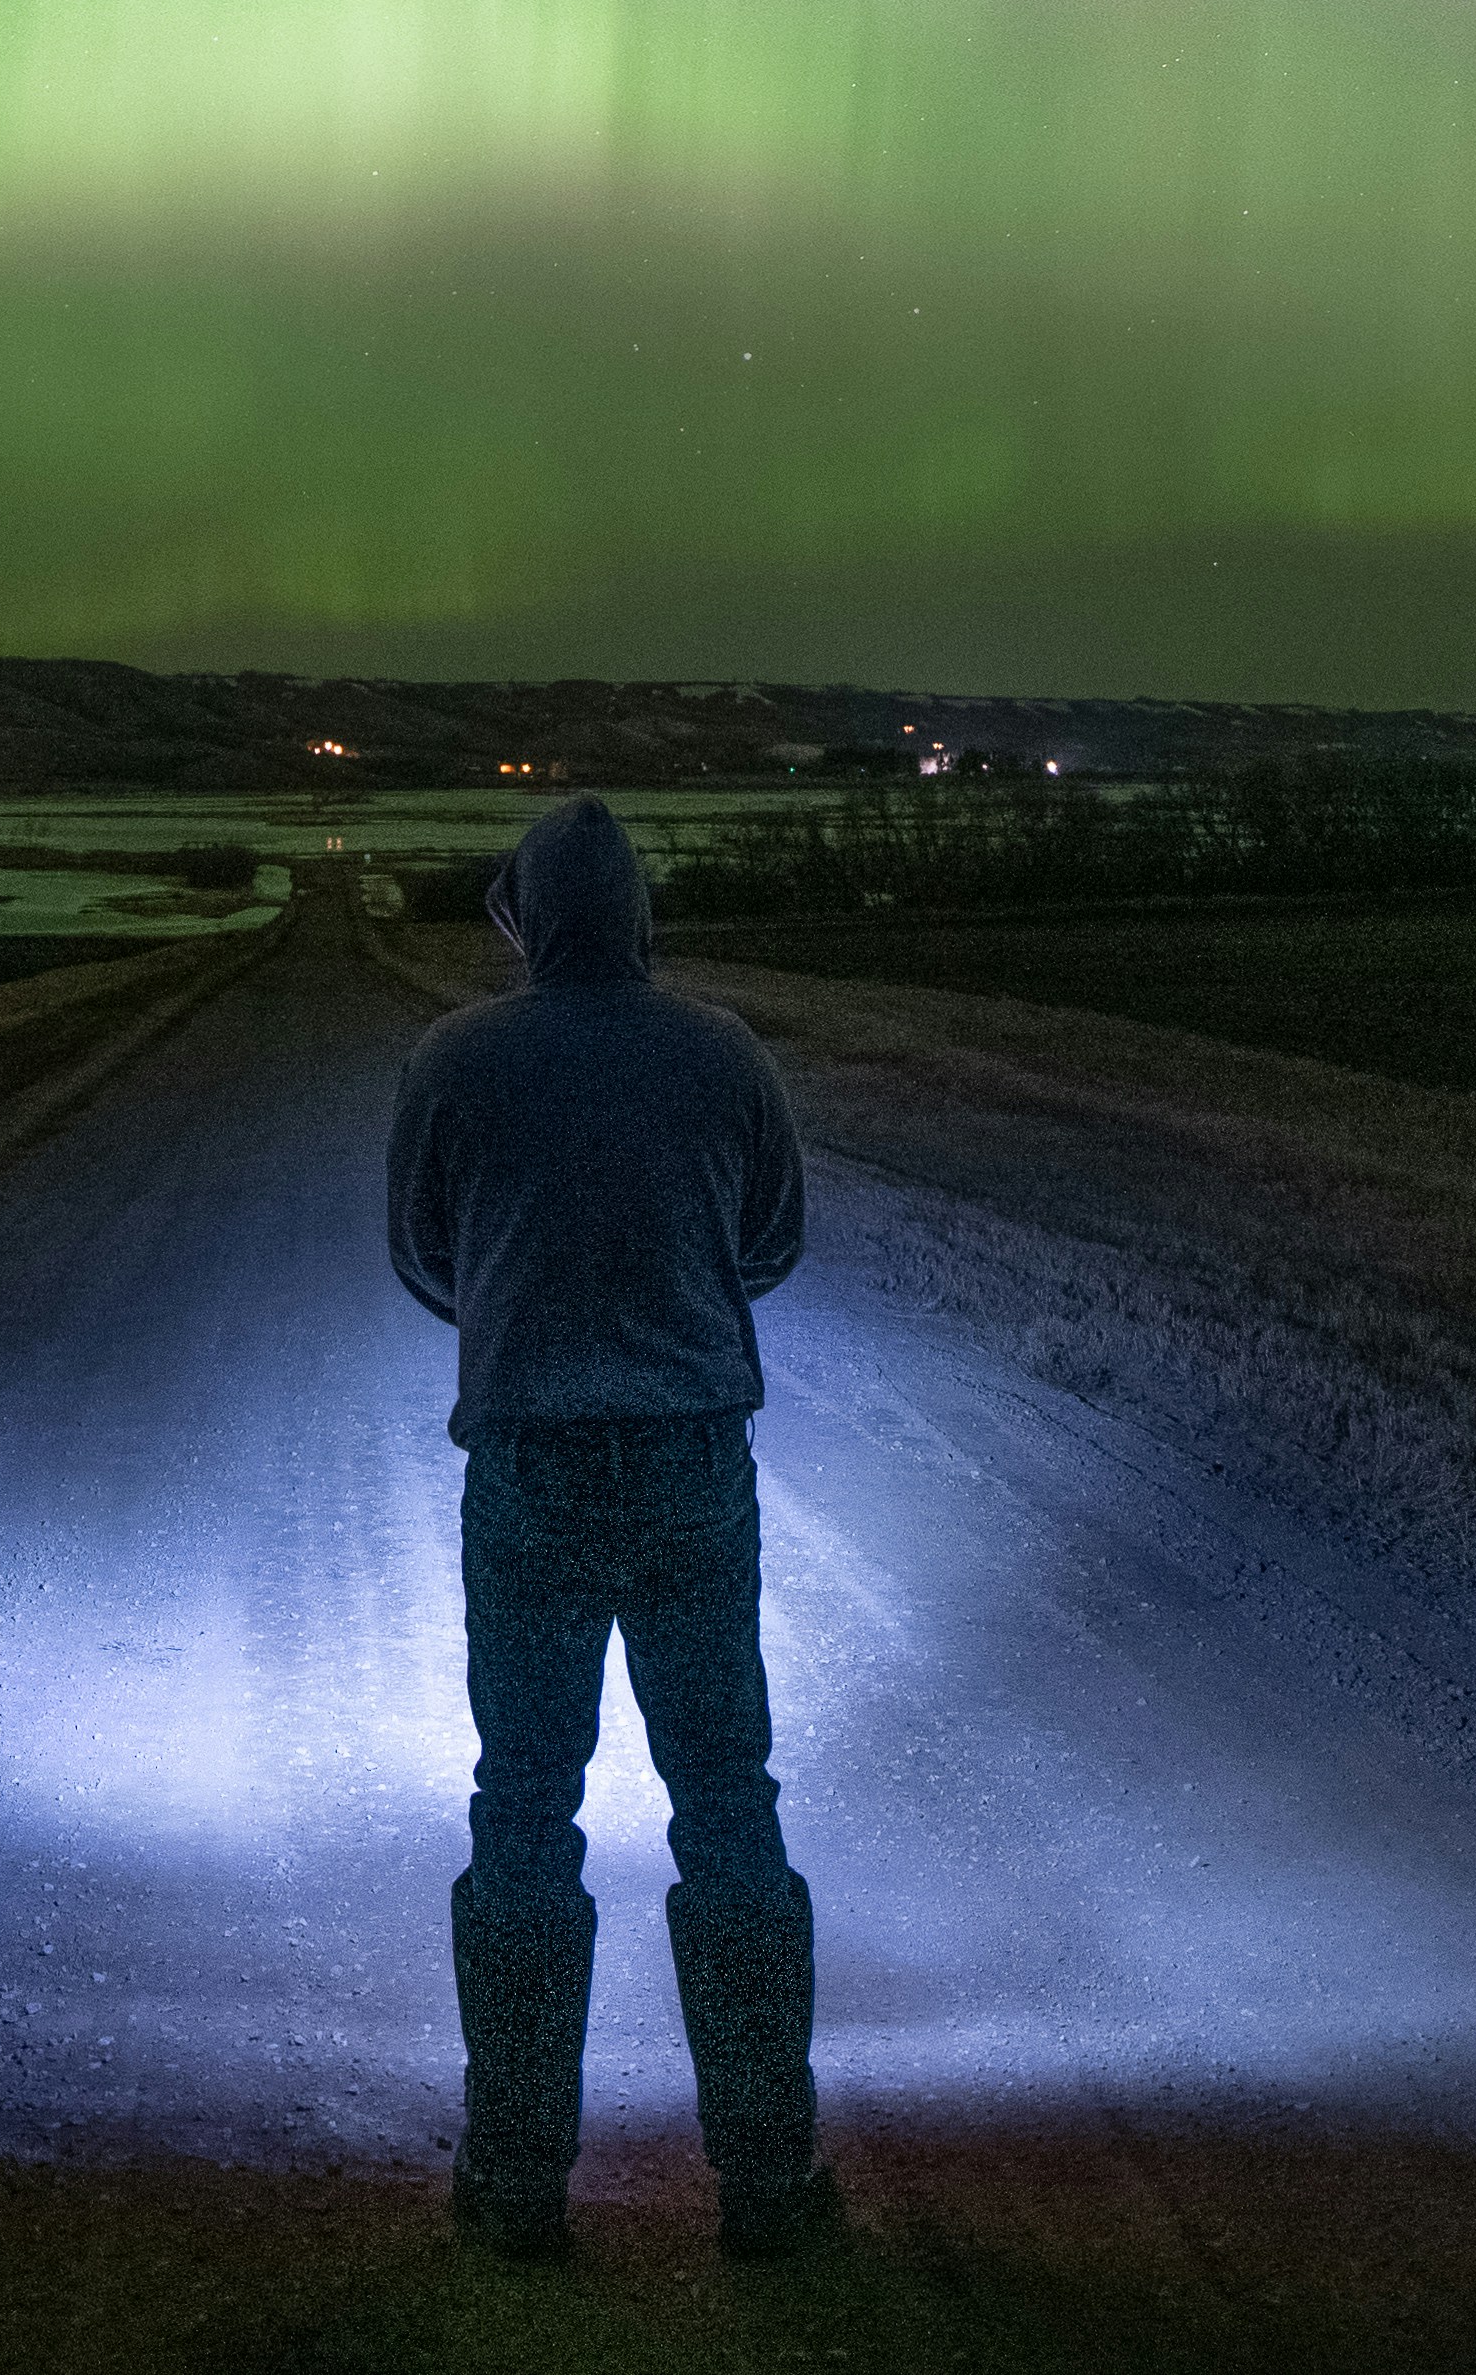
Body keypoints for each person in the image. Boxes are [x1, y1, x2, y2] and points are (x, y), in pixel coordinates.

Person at [380, 792, 834, 2265]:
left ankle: (516, 2183)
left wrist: (525, 1315)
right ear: (640, 915)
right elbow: (769, 1237)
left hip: (527, 1460)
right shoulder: (719, 1051)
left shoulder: (457, 1059)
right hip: (696, 1453)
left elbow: (421, 1251)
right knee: (727, 1801)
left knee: (523, 1803)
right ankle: (768, 2180)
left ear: (521, 918)